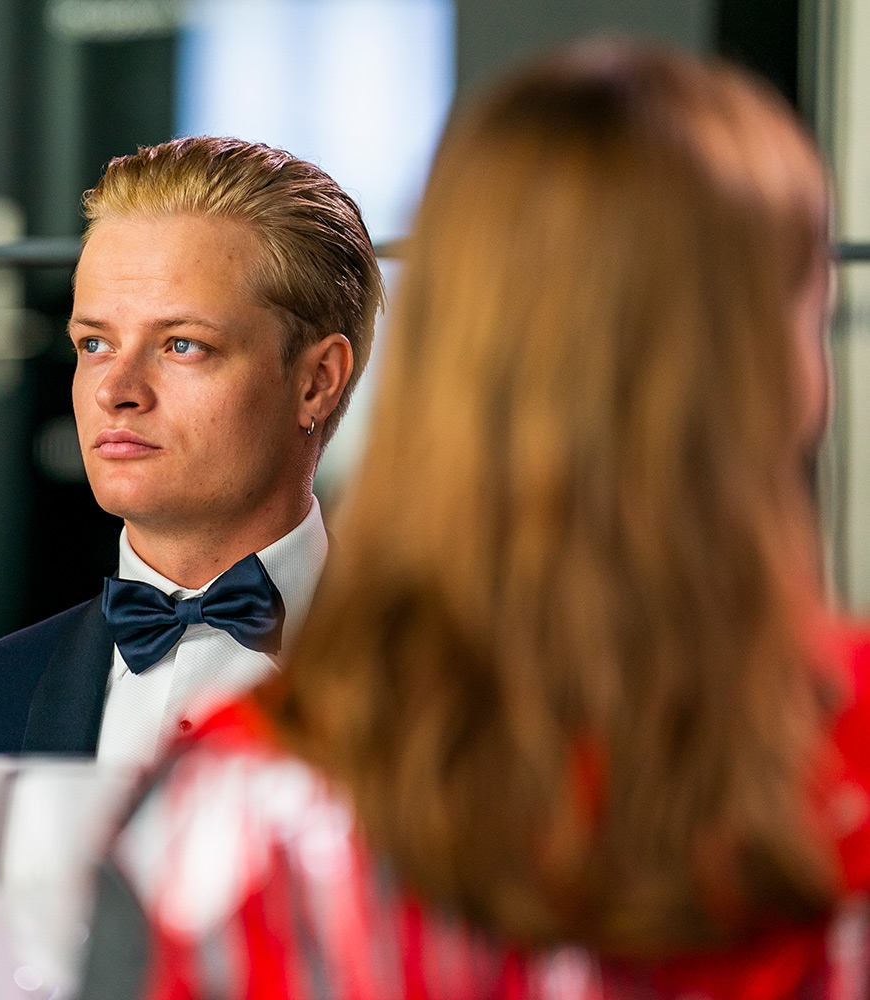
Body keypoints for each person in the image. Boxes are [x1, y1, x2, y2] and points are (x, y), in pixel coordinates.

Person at [78, 44, 869, 1000]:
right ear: (769, 370)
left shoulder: (230, 816)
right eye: (810, 316)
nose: (118, 391)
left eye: (183, 344)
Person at [0, 136, 384, 842]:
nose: (116, 390)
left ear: (317, 378)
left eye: (181, 345)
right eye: (94, 344)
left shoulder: (452, 702)